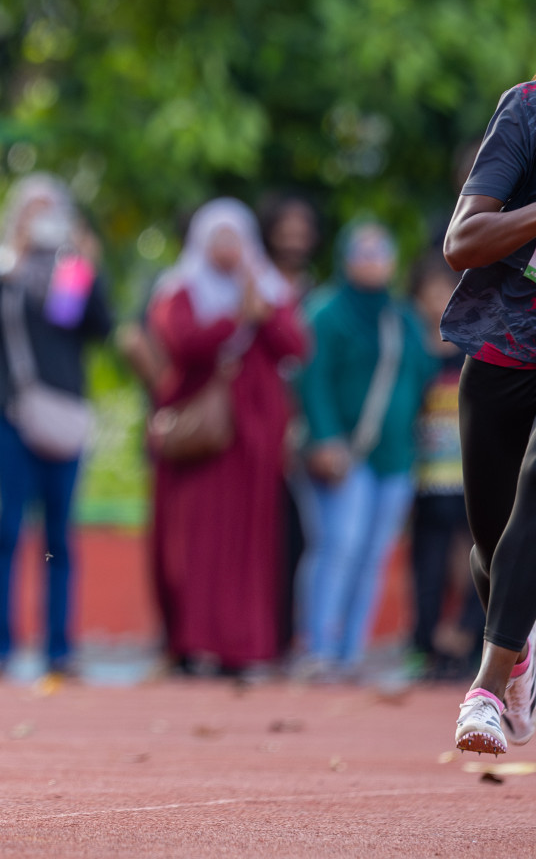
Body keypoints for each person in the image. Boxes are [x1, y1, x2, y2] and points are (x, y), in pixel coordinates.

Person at [147, 199, 306, 676]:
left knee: (248, 547)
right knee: (195, 545)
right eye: (217, 238)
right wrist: (237, 317)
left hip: (254, 443)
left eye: (234, 238)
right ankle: (194, 643)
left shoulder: (268, 288)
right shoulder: (180, 289)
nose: (227, 249)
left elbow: (296, 346)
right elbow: (182, 343)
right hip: (203, 442)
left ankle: (243, 645)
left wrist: (263, 312)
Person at [0, 176, 112, 680]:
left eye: (50, 209)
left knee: (58, 538)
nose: (42, 219)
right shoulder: (5, 270)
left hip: (63, 420)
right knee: (9, 530)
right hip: (14, 418)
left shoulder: (71, 272)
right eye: (32, 210)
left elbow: (96, 326)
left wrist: (87, 265)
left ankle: (58, 649)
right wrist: (10, 257)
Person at [440, 80, 536, 754]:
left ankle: (486, 690)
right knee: (491, 547)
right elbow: (462, 241)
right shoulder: (526, 110)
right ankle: (522, 656)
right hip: (504, 345)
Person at [296, 222, 435, 680]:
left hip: (395, 457)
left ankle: (351, 651)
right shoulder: (326, 313)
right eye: (364, 252)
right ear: (346, 258)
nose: (373, 262)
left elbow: (424, 371)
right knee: (340, 544)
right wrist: (325, 438)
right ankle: (319, 647)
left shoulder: (401, 317)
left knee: (374, 554)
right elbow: (312, 380)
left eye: (381, 252)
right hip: (344, 455)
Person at [406, 251, 483, 681]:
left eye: (445, 290)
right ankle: (425, 641)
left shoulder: (475, 341)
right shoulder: (409, 347)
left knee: (476, 556)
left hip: (470, 475)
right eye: (430, 292)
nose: (438, 300)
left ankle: (468, 637)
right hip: (423, 476)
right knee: (428, 561)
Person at [257, 194, 322, 659]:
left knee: (300, 535)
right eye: (287, 226)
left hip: (303, 423)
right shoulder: (254, 283)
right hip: (258, 421)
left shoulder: (316, 293)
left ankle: (288, 634)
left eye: (302, 228)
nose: (294, 236)